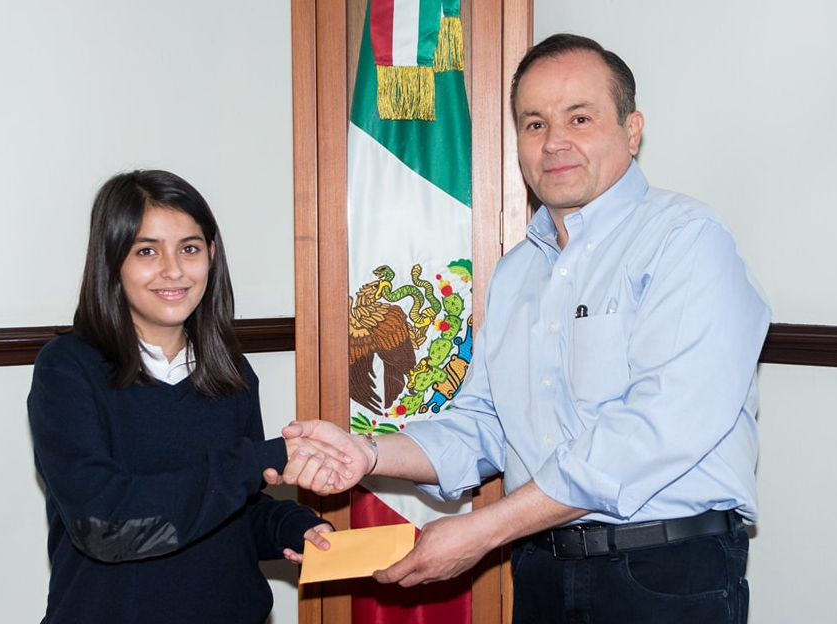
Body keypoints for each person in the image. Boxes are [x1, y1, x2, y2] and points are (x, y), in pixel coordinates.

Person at [273, 33, 770, 624]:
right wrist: (369, 452)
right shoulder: (515, 273)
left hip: (664, 572)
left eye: (579, 118)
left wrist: (483, 530)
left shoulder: (686, 240)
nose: (555, 142)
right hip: (543, 572)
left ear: (631, 130)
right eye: (534, 124)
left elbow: (655, 430)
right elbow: (484, 425)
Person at [28, 169, 344, 624]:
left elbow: (230, 509)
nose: (173, 270)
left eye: (190, 249)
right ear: (112, 260)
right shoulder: (67, 370)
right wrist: (256, 460)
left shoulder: (229, 369)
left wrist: (291, 527)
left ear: (211, 255)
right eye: (147, 251)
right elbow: (108, 527)